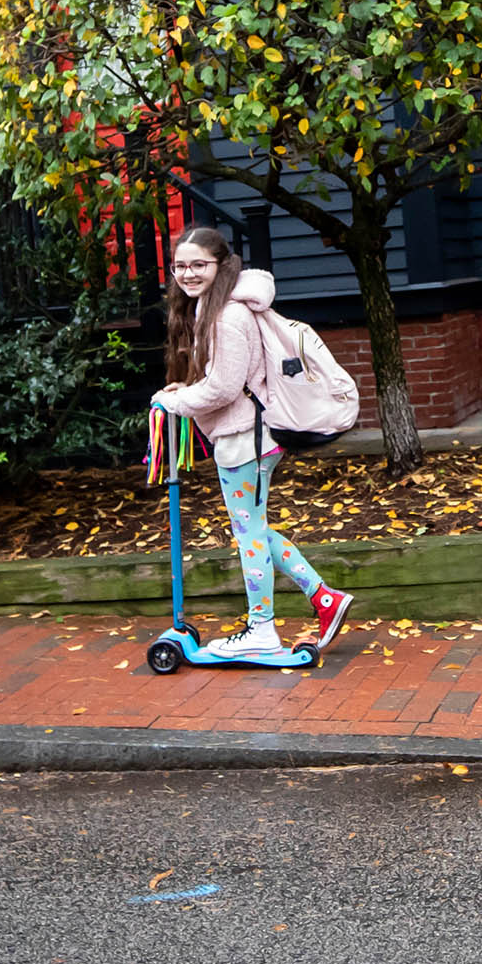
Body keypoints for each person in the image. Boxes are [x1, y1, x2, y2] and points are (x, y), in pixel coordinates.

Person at [151, 226, 351, 662]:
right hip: (251, 435)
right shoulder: (217, 306)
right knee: (253, 530)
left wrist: (174, 402)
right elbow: (224, 379)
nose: (188, 274)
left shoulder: (227, 316)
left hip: (246, 439)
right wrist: (184, 391)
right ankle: (325, 598)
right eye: (180, 266)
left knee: (249, 536)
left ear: (221, 266)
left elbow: (224, 388)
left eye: (198, 265)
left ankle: (262, 629)